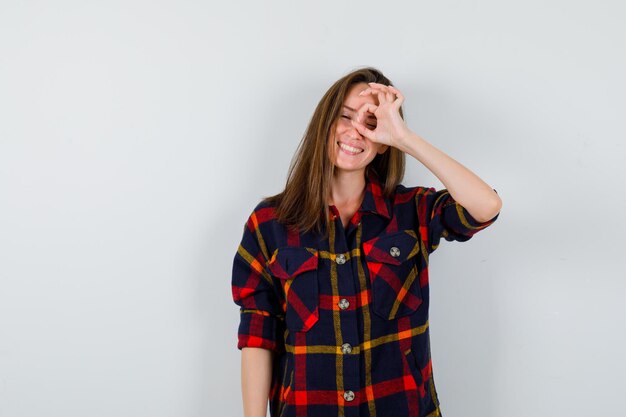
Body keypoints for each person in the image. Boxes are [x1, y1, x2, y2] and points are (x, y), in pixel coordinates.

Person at [231, 67, 502, 417]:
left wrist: (405, 138)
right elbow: (258, 334)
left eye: (372, 122)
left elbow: (486, 207)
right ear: (323, 123)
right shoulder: (268, 223)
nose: (355, 131)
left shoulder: (411, 212)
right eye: (344, 116)